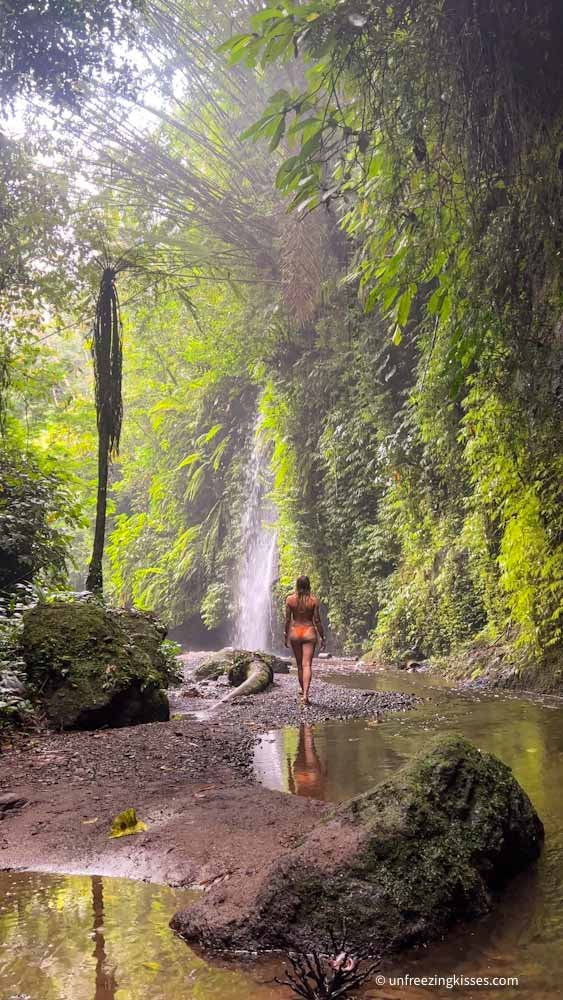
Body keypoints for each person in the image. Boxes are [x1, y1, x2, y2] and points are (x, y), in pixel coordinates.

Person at [284, 575, 325, 705]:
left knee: (300, 666)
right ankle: (306, 695)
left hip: (295, 632)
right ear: (308, 585)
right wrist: (322, 637)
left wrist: (286, 635)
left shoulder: (290, 600)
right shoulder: (313, 600)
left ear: (297, 585)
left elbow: (287, 620)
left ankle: (302, 690)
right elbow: (317, 620)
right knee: (307, 664)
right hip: (309, 631)